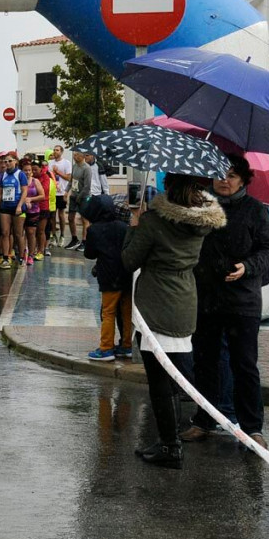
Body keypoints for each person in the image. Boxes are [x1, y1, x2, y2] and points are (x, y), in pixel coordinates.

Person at [122, 174, 226, 469]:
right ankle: (170, 438)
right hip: (184, 299)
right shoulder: (202, 223)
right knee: (174, 377)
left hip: (156, 305)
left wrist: (134, 228)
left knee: (160, 381)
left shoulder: (155, 221)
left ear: (169, 187)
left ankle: (170, 445)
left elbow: (130, 260)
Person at [182, 156, 269, 450]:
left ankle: (252, 428)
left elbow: (268, 249)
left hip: (243, 302)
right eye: (219, 174)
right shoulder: (202, 207)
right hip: (207, 299)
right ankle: (204, 420)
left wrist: (248, 266)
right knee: (205, 363)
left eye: (232, 175)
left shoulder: (255, 211)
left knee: (244, 366)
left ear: (243, 180)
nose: (224, 180)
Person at [82, 195, 133, 361]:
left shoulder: (94, 230)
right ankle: (126, 346)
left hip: (108, 276)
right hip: (126, 274)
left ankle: (106, 348)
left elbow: (89, 254)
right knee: (126, 312)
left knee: (108, 312)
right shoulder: (123, 226)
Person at [0, 154, 28, 268]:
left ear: (15, 162)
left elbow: (24, 191)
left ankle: (23, 256)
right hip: (5, 207)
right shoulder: (3, 174)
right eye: (5, 161)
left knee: (18, 234)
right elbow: (1, 191)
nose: (7, 163)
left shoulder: (20, 174)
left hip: (17, 207)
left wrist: (19, 205)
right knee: (5, 233)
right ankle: (5, 257)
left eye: (9, 161)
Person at [65, 151, 92, 251]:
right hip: (74, 195)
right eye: (74, 154)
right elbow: (71, 181)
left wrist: (79, 197)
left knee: (84, 219)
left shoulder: (87, 168)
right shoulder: (74, 166)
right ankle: (74, 239)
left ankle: (84, 241)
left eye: (76, 155)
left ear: (82, 156)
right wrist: (66, 192)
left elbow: (87, 186)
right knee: (71, 217)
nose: (74, 156)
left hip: (84, 197)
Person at [19, 159, 44, 265]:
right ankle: (22, 253)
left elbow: (42, 195)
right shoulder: (19, 181)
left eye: (29, 170)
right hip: (21, 210)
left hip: (33, 210)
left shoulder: (35, 181)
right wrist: (24, 200)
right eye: (25, 170)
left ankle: (31, 255)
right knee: (20, 233)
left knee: (31, 232)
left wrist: (31, 199)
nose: (28, 172)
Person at [49, 146, 72, 244]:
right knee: (52, 215)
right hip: (53, 192)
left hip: (62, 192)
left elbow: (68, 178)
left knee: (61, 214)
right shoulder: (50, 163)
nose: (55, 151)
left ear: (61, 152)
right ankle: (53, 235)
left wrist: (57, 172)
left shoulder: (66, 163)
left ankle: (62, 235)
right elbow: (49, 176)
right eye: (54, 150)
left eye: (57, 150)